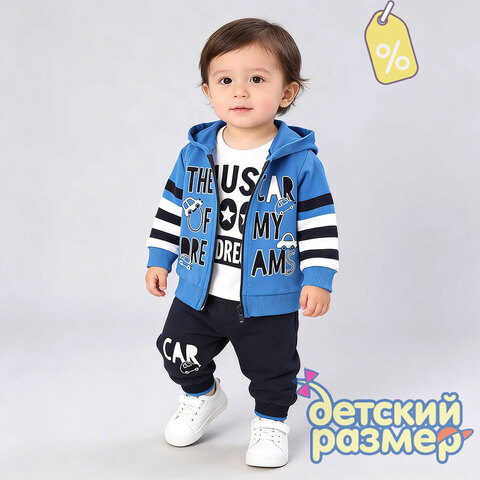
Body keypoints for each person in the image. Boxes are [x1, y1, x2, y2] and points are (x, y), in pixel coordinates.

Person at [145, 17, 339, 468]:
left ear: (287, 93)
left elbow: (318, 223)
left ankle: (271, 422)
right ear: (208, 91)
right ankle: (202, 395)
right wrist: (160, 257)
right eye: (225, 81)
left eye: (257, 79)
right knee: (175, 348)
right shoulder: (195, 153)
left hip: (267, 295)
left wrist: (319, 277)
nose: (240, 92)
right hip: (200, 288)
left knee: (273, 369)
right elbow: (173, 208)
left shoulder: (300, 163)